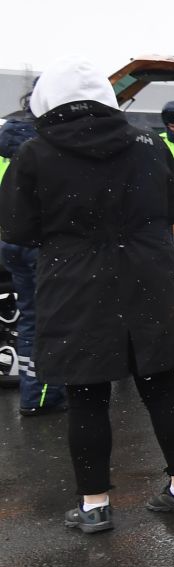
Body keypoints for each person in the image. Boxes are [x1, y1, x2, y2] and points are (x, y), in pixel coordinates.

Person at [0, 62, 174, 534]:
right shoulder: (149, 143)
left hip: (77, 283)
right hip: (150, 277)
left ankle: (94, 505)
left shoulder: (36, 151)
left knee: (87, 395)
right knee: (161, 386)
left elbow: (17, 228)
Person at [0, 98, 67, 416]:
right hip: (37, 245)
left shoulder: (7, 142)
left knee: (30, 320)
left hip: (9, 244)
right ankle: (43, 395)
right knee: (51, 321)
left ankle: (33, 392)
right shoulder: (42, 149)